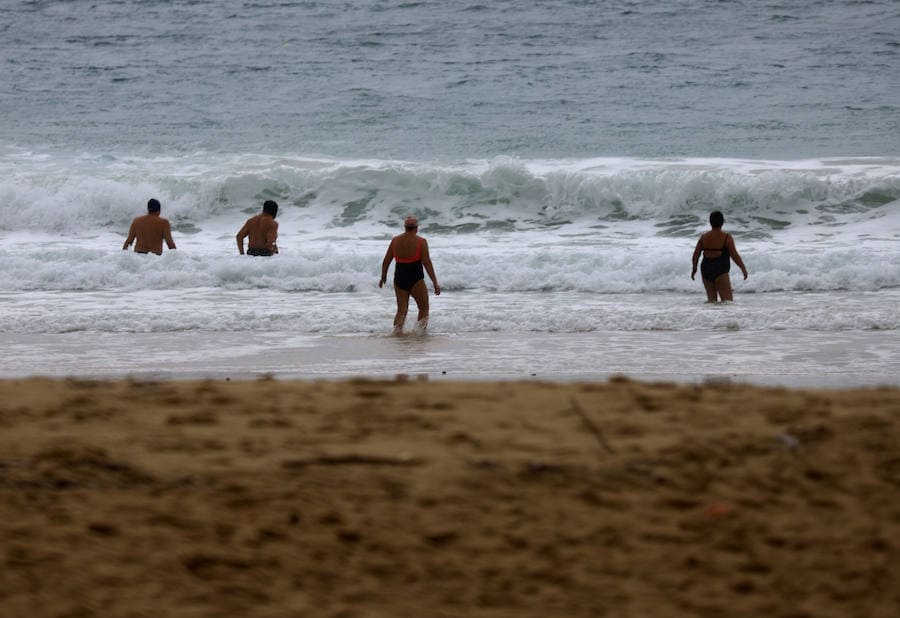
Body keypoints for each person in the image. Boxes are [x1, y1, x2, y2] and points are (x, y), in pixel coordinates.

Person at [379, 215, 441, 333]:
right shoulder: (421, 242)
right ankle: (420, 333)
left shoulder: (395, 240)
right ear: (416, 228)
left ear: (405, 227)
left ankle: (397, 333)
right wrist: (435, 283)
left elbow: (386, 260)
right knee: (423, 307)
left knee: (401, 310)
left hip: (399, 277)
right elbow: (426, 262)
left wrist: (383, 277)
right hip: (415, 278)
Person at [691, 210, 748, 302]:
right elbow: (734, 255)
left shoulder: (704, 237)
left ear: (710, 222)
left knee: (711, 302)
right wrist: (743, 268)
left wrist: (694, 269)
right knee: (727, 302)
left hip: (706, 269)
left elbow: (695, 255)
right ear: (722, 222)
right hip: (720, 269)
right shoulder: (726, 237)